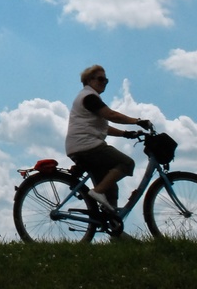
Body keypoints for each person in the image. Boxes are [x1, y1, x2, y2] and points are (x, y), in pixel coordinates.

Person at [65, 64, 152, 214]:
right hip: (87, 147)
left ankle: (112, 226)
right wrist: (137, 121)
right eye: (100, 79)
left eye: (106, 80)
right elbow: (112, 115)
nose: (104, 82)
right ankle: (97, 192)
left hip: (80, 147)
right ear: (89, 80)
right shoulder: (89, 97)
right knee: (127, 163)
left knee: (111, 187)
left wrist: (126, 134)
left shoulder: (89, 98)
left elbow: (104, 128)